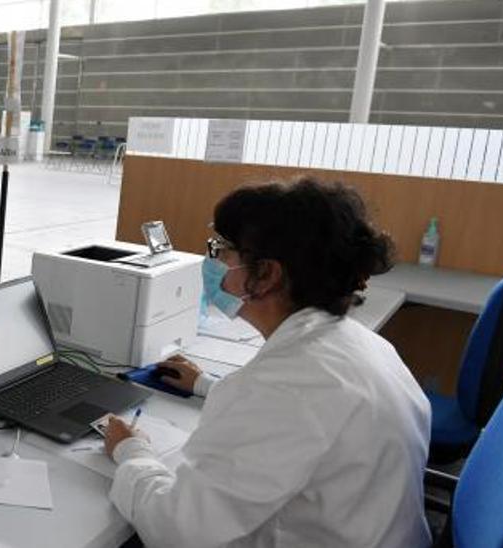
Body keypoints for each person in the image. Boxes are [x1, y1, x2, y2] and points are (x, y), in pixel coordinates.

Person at [102, 178, 430, 547]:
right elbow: (297, 417)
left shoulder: (285, 386)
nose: (214, 261)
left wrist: (131, 452)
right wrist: (207, 385)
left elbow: (179, 529)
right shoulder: (361, 345)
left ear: (267, 275)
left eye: (223, 250)